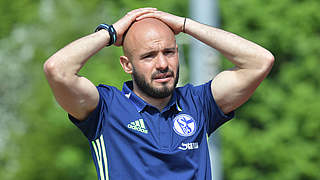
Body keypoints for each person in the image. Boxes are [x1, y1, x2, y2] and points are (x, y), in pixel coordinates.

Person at [44, 7, 274, 180]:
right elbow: (57, 70)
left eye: (169, 52)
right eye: (148, 56)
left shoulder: (199, 103)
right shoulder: (105, 109)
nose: (162, 64)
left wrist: (185, 25)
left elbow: (260, 61)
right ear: (127, 65)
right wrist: (111, 33)